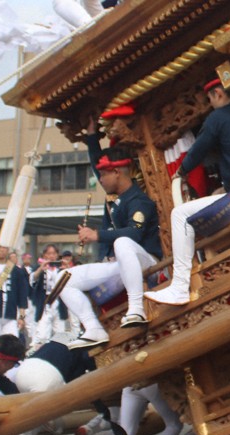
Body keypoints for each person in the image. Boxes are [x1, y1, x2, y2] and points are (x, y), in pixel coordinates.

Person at [144, 79, 230, 306]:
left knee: (180, 214)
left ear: (217, 94)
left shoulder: (218, 117)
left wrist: (180, 172)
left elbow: (197, 151)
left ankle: (179, 287)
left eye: (210, 100)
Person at [60, 131, 162, 349]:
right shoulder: (117, 200)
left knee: (123, 242)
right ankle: (93, 329)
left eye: (103, 175)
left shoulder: (138, 200)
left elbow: (134, 234)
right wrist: (91, 139)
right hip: (121, 265)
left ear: (116, 172)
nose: (100, 180)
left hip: (148, 262)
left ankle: (136, 309)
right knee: (64, 278)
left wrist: (97, 235)